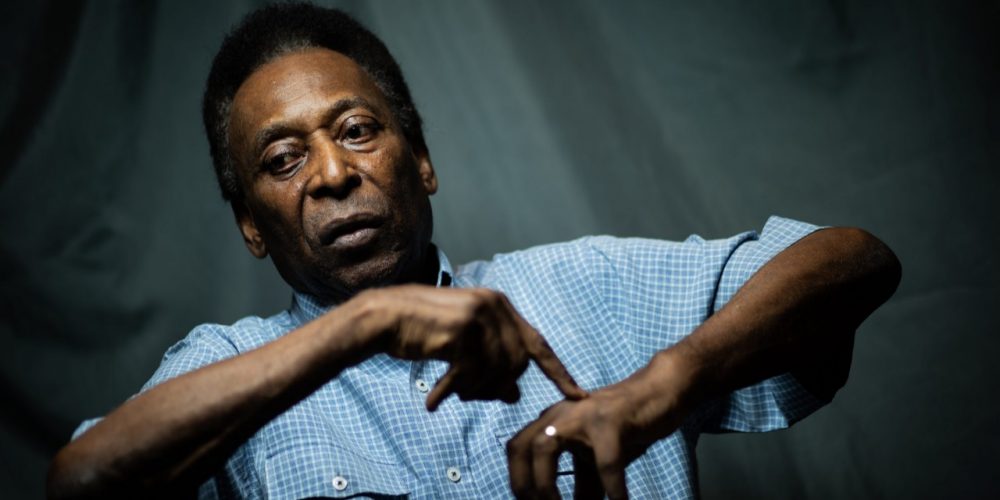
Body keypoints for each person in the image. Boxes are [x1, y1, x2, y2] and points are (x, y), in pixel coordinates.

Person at [46, 3, 901, 499]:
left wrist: (657, 389)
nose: (334, 174)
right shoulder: (224, 368)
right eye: (283, 159)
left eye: (357, 130)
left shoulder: (583, 288)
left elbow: (852, 259)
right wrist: (360, 326)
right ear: (250, 225)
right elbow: (81, 483)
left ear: (421, 160)